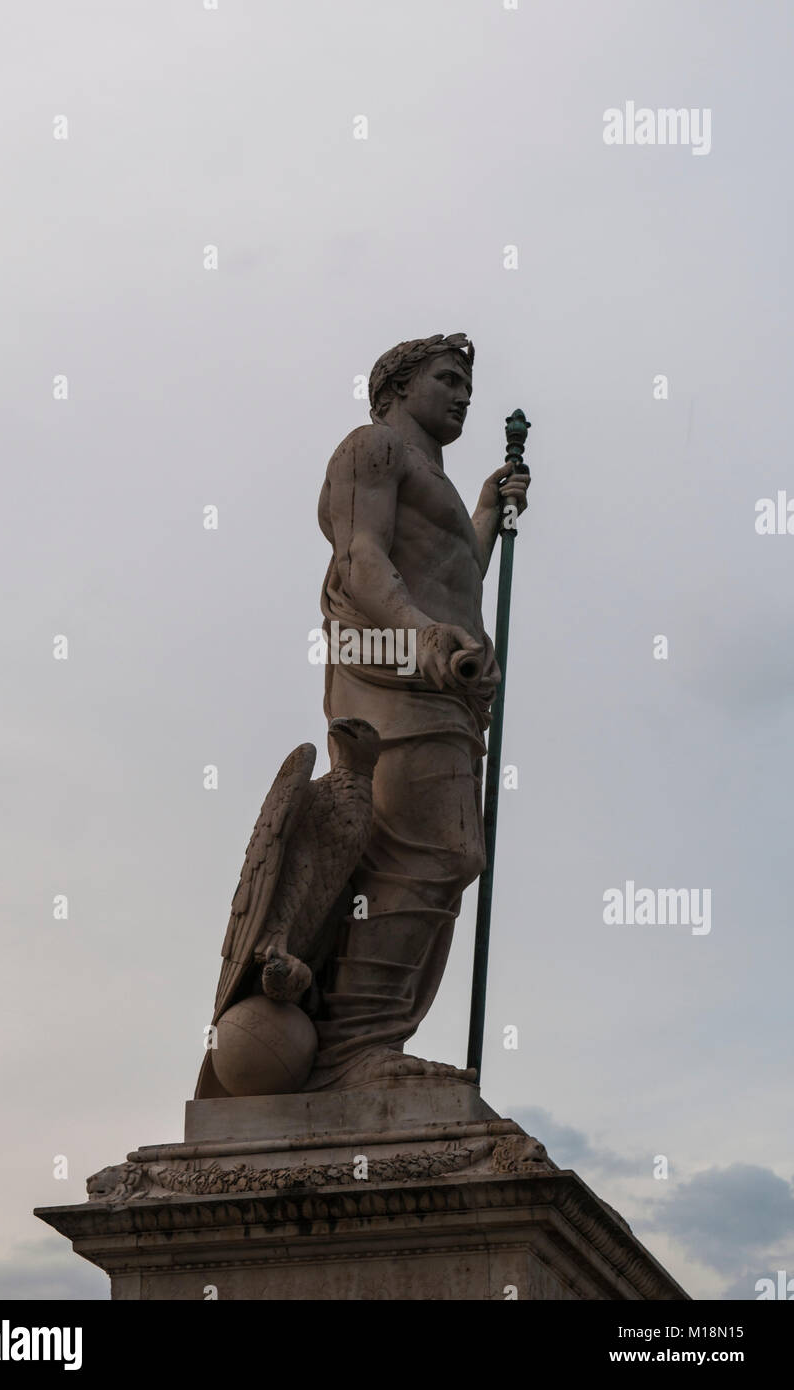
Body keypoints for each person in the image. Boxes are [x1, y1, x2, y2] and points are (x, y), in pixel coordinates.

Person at [309, 333, 530, 1088]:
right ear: (396, 386)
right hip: (396, 677)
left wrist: (484, 512)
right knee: (425, 854)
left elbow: (454, 574)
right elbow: (360, 559)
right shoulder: (371, 447)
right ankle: (352, 1049)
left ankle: (369, 1041)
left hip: (444, 682)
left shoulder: (429, 475)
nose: (462, 394)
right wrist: (423, 637)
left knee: (440, 858)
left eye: (466, 383)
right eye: (447, 378)